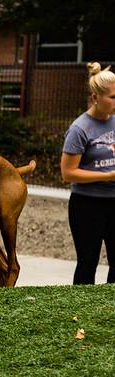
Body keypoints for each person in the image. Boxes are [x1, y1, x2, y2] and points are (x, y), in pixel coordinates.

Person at [60, 62, 115, 284]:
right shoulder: (79, 129)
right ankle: (79, 315)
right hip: (87, 205)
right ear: (95, 98)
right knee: (87, 262)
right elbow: (68, 173)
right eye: (112, 97)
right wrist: (108, 176)